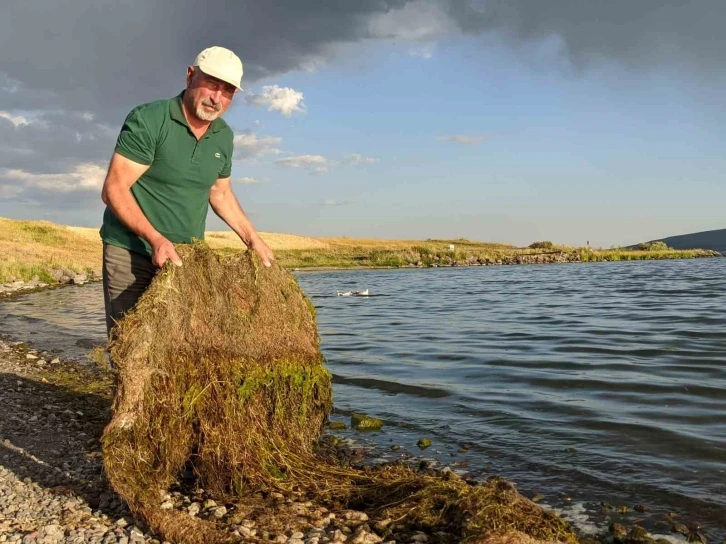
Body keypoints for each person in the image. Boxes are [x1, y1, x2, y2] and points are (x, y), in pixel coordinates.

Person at [99, 46, 273, 336]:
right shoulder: (150, 119)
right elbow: (114, 189)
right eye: (212, 85)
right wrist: (155, 239)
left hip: (186, 258)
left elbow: (220, 194)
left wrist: (253, 239)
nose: (217, 98)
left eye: (227, 91)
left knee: (180, 344)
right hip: (131, 251)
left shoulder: (223, 137)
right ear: (190, 76)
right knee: (129, 343)